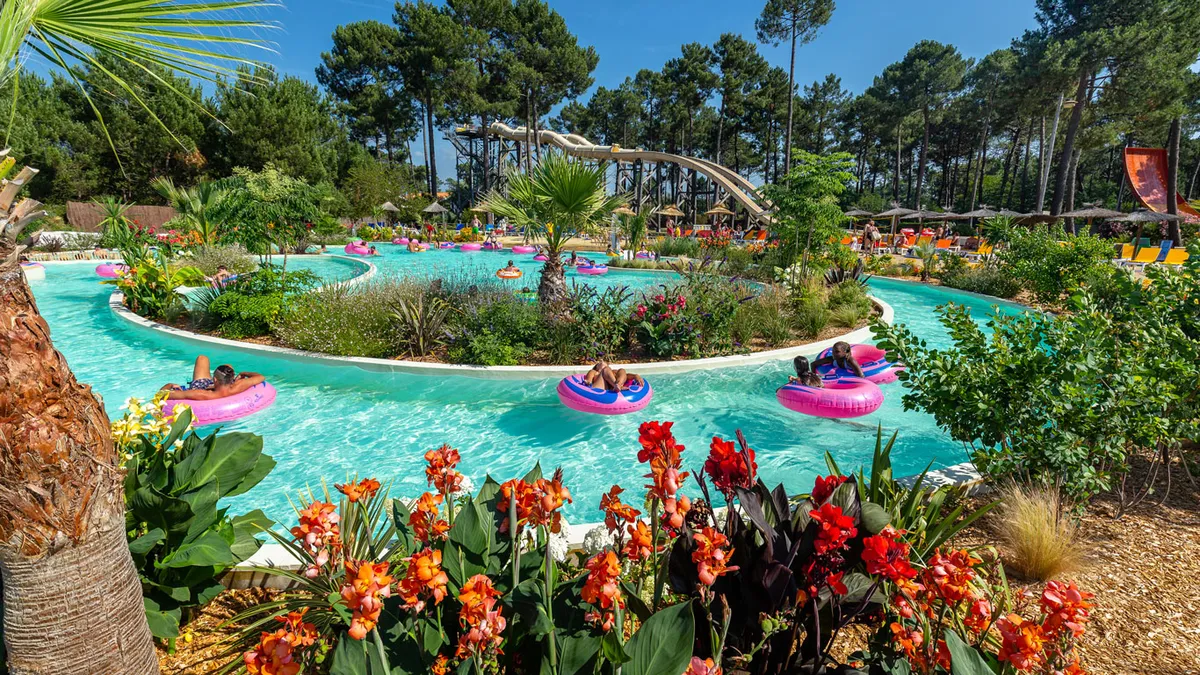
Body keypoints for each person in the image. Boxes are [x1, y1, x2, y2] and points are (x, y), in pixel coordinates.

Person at [160, 355, 264, 401]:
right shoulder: (239, 386)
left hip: (202, 386)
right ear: (231, 379)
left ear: (214, 380)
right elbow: (261, 377)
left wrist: (170, 385)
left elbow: (161, 395)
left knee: (202, 358)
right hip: (223, 387)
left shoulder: (200, 394)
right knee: (228, 366)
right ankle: (223, 375)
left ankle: (217, 375)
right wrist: (243, 373)